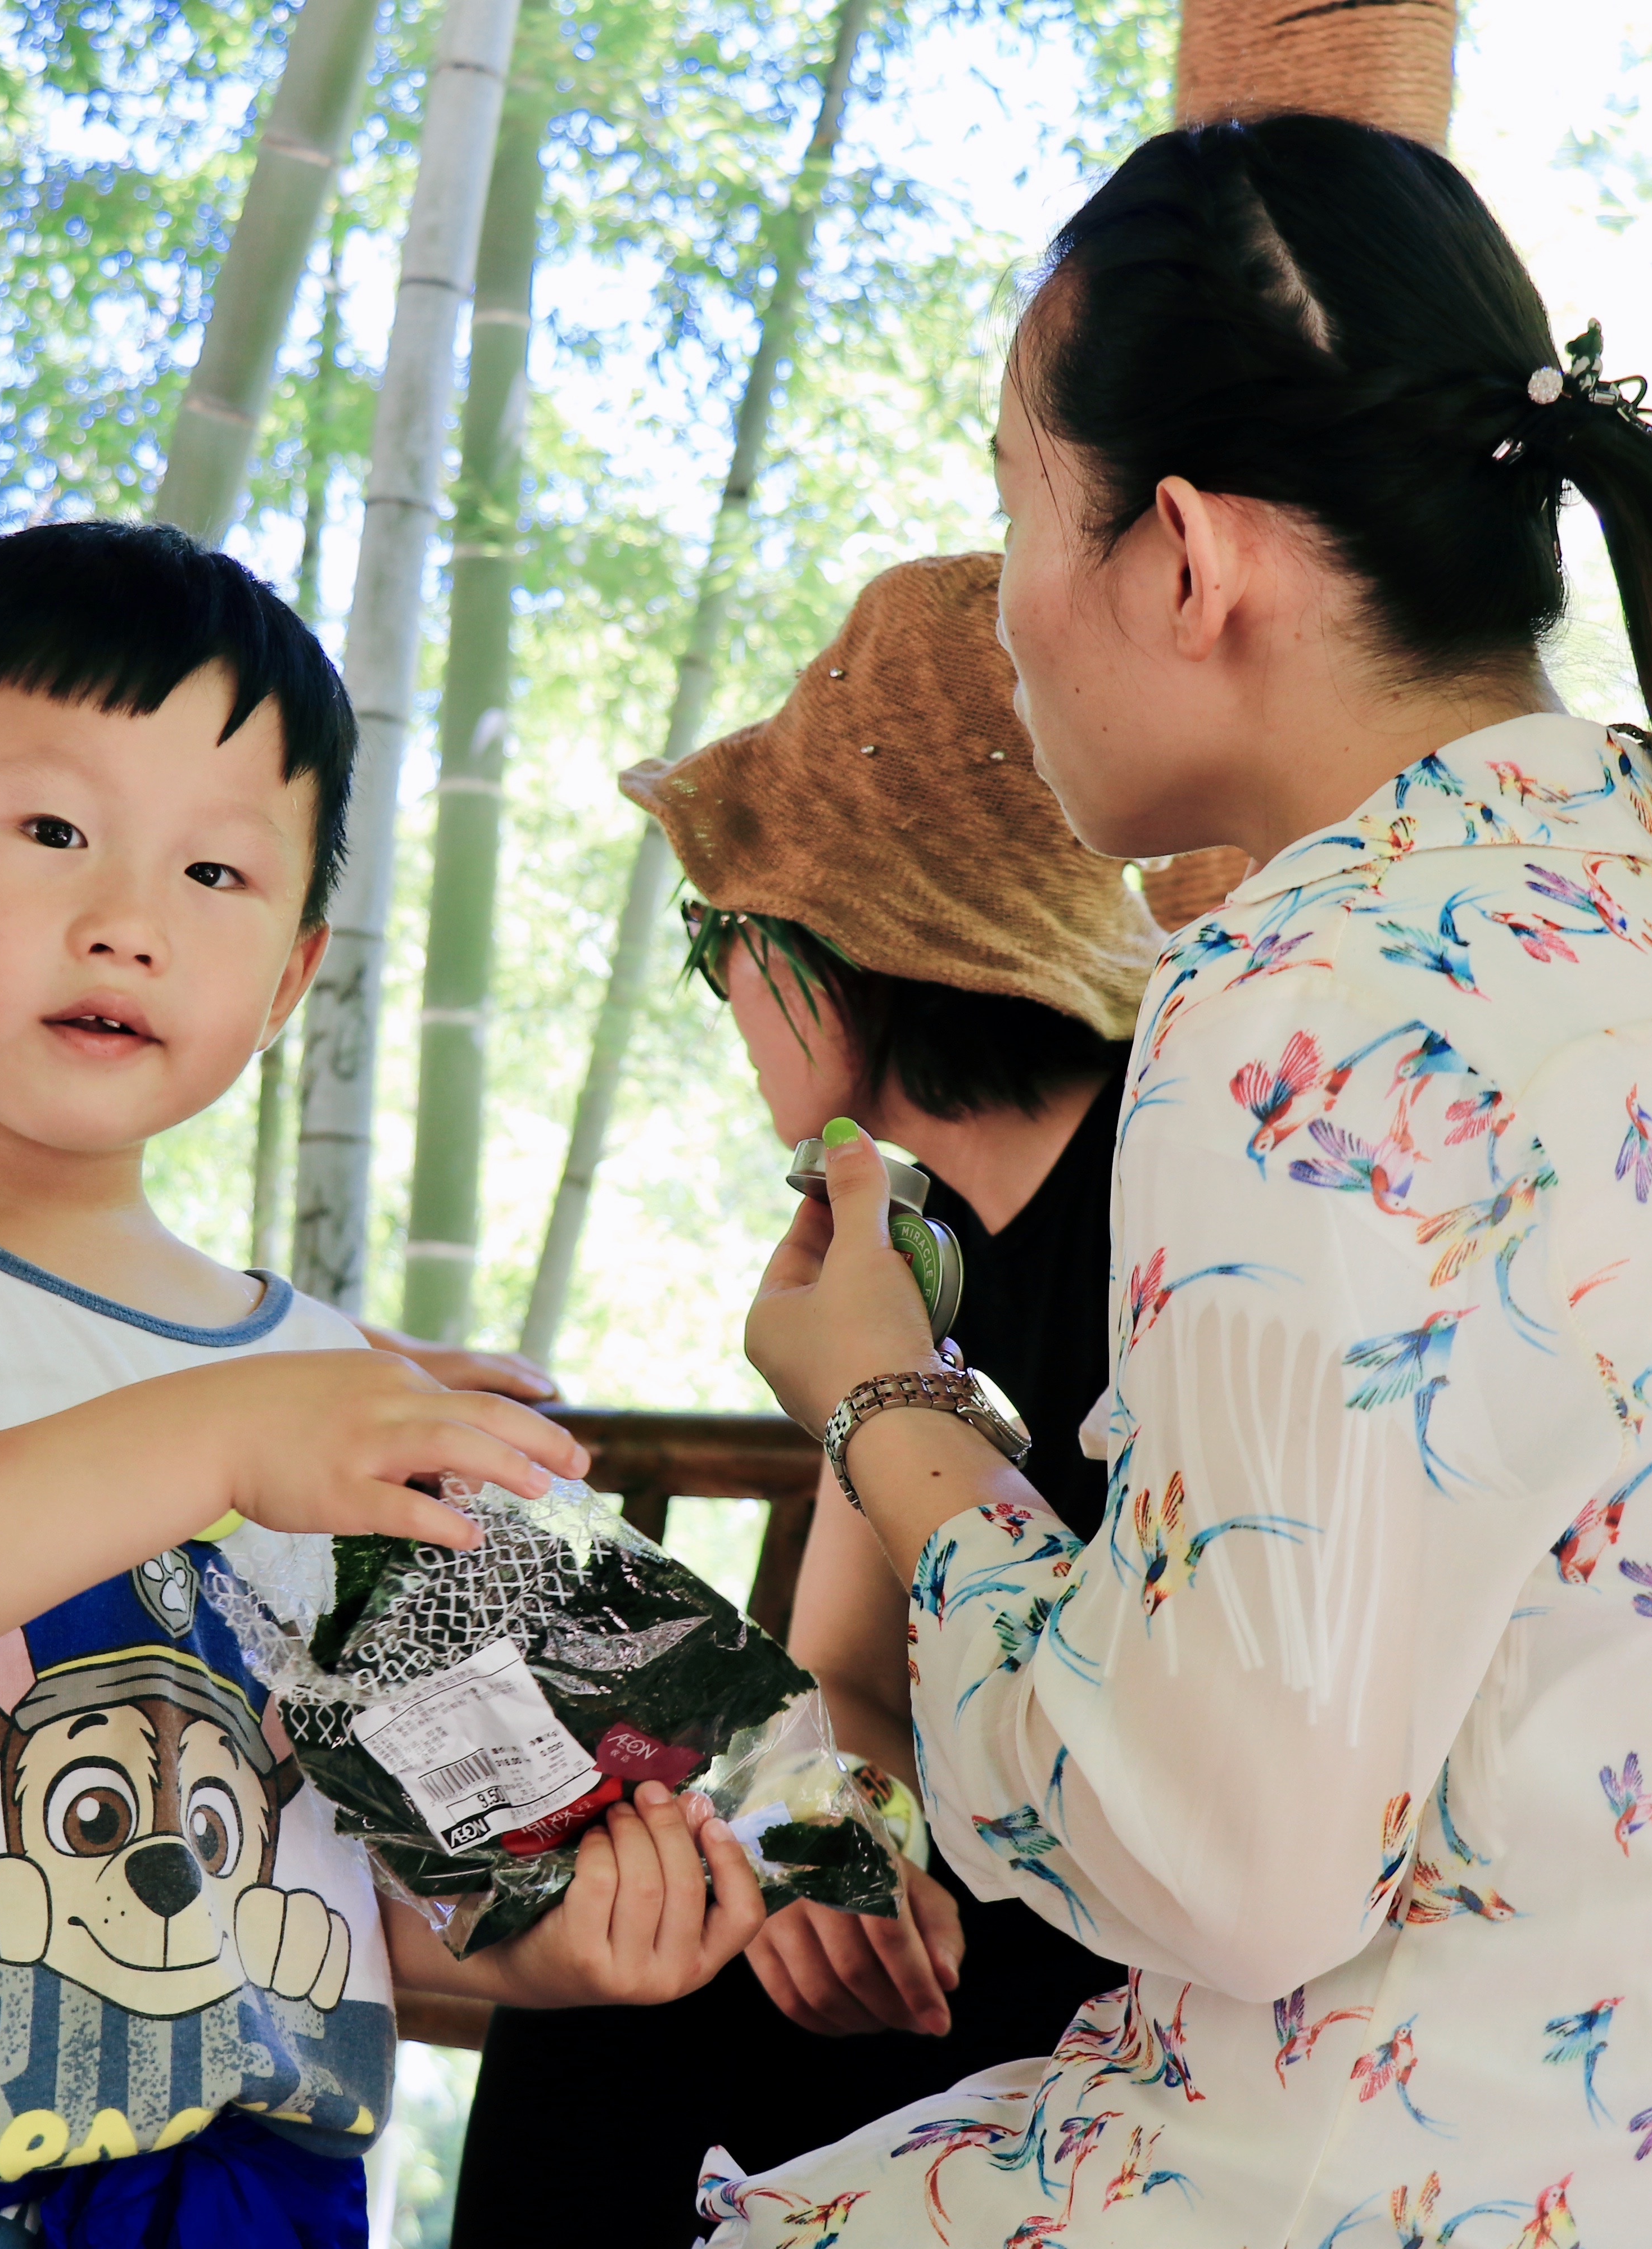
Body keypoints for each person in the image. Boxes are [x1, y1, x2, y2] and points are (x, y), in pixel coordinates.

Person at [714, 114, 1652, 2241]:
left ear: (1185, 556)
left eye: (1013, 509)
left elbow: (1223, 1850)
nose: (1007, 615)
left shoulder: (1314, 987)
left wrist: (888, 1409)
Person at [0, 519, 768, 2247]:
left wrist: (553, 1940)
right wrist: (216, 1440)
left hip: (247, 2188)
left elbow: (380, 1867)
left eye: (215, 873)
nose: (126, 924)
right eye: (53, 831)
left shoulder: (326, 1389)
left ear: (292, 970)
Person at [451, 553, 1157, 2245]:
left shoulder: (1178, 1191)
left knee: (616, 2026)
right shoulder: (913, 1246)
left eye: (720, 941)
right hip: (960, 1920)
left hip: (1155, 1943)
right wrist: (823, 1836)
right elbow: (840, 1671)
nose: (724, 998)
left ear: (840, 946)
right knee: (627, 1967)